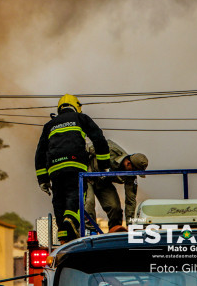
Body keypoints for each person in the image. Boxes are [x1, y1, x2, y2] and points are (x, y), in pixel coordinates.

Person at [35, 94, 111, 243]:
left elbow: (40, 153)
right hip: (75, 164)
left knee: (59, 199)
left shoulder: (49, 125)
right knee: (75, 195)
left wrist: (42, 179)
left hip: (55, 168)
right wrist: (104, 166)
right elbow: (99, 139)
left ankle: (64, 237)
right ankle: (69, 220)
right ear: (76, 106)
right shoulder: (81, 118)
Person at [85, 140, 148, 231]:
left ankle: (114, 232)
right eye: (134, 170)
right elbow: (85, 149)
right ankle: (90, 231)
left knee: (115, 208)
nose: (134, 174)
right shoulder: (110, 149)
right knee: (89, 203)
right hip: (86, 176)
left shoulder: (131, 175)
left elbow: (130, 200)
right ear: (128, 163)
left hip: (103, 182)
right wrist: (81, 169)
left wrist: (130, 226)